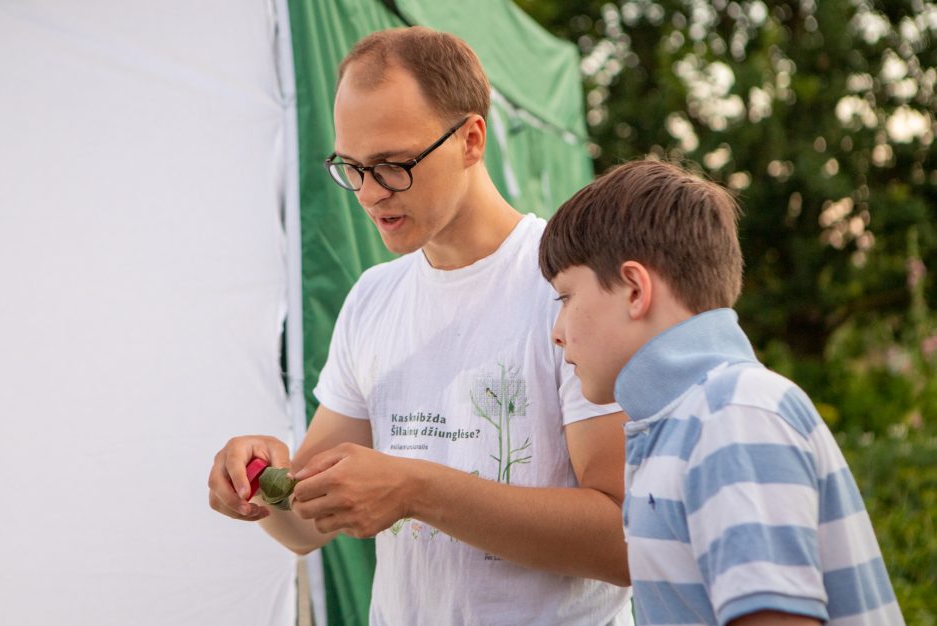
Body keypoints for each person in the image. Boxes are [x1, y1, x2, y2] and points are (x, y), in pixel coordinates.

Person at [208, 26, 633, 625]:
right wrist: (257, 484)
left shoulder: (567, 284)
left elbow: (626, 540)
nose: (368, 193)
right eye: (350, 167)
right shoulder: (373, 299)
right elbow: (304, 524)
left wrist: (414, 489)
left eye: (391, 165)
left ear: (471, 139)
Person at [538, 159, 904, 626]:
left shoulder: (730, 415)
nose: (557, 331)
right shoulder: (678, 424)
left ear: (634, 289)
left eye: (565, 298)